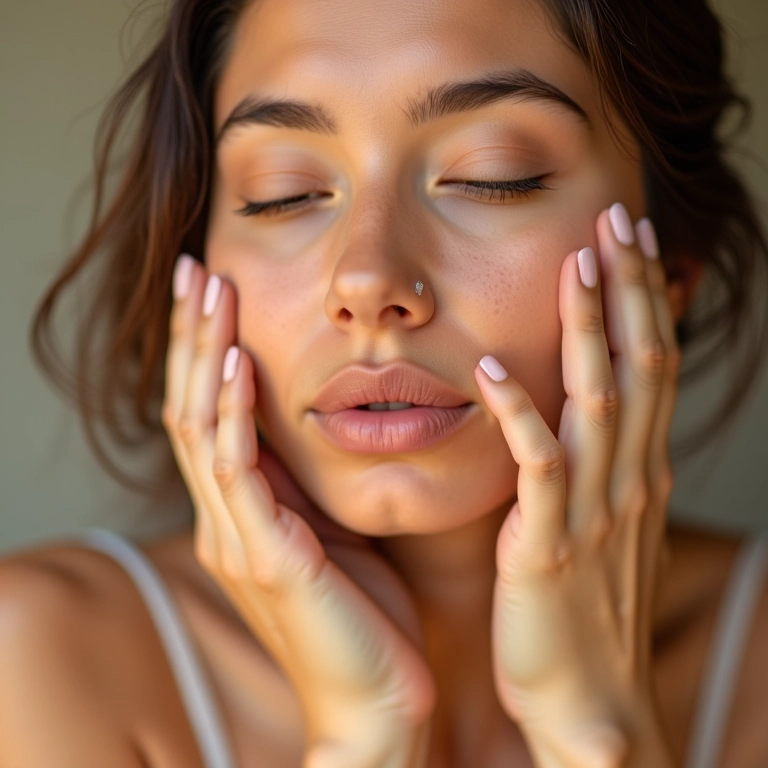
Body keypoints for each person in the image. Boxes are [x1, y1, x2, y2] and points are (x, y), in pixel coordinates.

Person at [2, 0, 767, 765]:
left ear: (666, 276)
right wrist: (364, 740)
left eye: (491, 176)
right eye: (284, 191)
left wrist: (602, 735)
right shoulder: (41, 660)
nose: (366, 279)